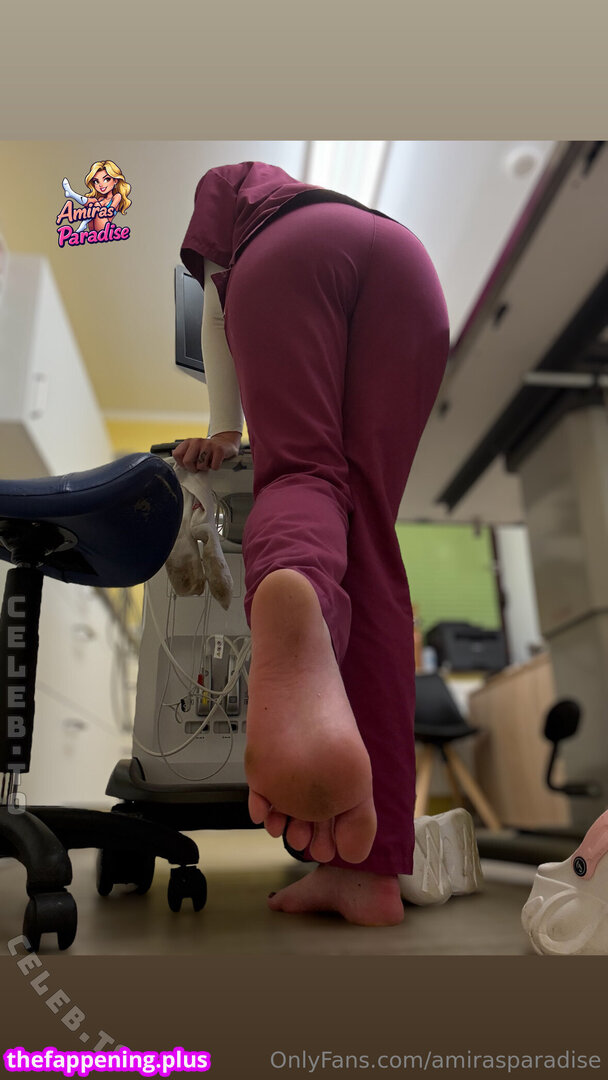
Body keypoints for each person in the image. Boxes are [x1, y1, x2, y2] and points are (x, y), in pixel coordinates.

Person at [173, 161, 450, 926]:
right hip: (409, 267)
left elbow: (217, 301)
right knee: (370, 542)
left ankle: (292, 578)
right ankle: (366, 871)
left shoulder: (231, 187)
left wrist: (224, 429)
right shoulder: (306, 193)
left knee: (303, 474)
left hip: (288, 256)